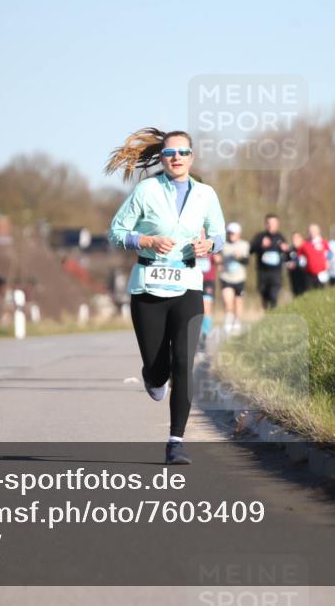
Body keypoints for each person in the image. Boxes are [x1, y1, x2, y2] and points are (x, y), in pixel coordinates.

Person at [107, 127, 226, 465]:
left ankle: (176, 442)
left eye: (183, 153)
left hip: (188, 286)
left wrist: (209, 244)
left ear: (192, 157)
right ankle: (151, 376)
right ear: (162, 158)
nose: (176, 158)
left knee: (185, 364)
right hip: (148, 288)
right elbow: (116, 232)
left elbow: (218, 233)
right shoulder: (146, 190)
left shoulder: (206, 194)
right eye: (170, 153)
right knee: (159, 369)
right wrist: (146, 241)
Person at [249, 213, 289, 310]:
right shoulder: (260, 236)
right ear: (265, 224)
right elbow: (250, 250)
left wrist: (285, 250)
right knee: (264, 295)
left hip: (276, 273)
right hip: (262, 273)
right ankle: (267, 314)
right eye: (268, 223)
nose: (271, 225)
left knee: (274, 295)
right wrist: (260, 245)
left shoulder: (281, 237)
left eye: (273, 223)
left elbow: (287, 256)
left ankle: (273, 313)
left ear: (278, 224)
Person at [216, 222, 249, 334]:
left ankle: (237, 322)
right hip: (226, 277)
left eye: (233, 233)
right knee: (227, 300)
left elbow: (246, 261)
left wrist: (240, 257)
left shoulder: (244, 245)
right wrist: (218, 264)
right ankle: (228, 321)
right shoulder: (223, 245)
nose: (231, 235)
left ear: (239, 234)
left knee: (238, 302)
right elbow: (217, 258)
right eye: (229, 233)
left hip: (239, 278)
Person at [298, 224, 330, 291]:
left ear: (318, 231)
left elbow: (329, 254)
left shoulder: (324, 242)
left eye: (314, 231)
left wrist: (328, 263)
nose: (312, 233)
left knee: (321, 291)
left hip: (321, 273)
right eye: (310, 231)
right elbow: (300, 256)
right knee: (309, 291)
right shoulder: (304, 244)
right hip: (308, 273)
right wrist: (302, 264)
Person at [286, 231, 308, 298]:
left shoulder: (306, 248)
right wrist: (289, 265)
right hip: (294, 276)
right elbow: (285, 262)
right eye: (293, 238)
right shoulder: (289, 250)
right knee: (296, 294)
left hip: (305, 275)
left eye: (296, 238)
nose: (295, 240)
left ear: (301, 239)